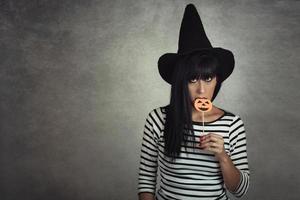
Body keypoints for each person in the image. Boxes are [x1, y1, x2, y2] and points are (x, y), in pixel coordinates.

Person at [138, 4, 250, 200]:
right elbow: (146, 181)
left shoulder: (233, 124)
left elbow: (239, 191)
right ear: (180, 81)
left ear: (217, 80)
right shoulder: (157, 119)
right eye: (192, 79)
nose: (201, 89)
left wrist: (223, 156)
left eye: (207, 79)